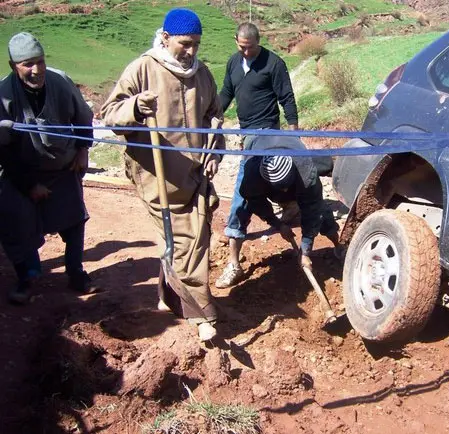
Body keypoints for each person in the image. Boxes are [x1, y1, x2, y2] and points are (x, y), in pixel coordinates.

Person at [100, 8, 224, 341]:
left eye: (197, 44)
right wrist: (135, 108)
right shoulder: (143, 68)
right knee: (187, 239)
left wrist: (215, 151)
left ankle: (167, 298)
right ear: (166, 38)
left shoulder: (203, 75)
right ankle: (200, 314)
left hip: (195, 174)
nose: (192, 51)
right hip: (154, 173)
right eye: (185, 43)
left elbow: (215, 116)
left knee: (187, 235)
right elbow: (109, 114)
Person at [0, 32, 96, 304]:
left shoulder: (60, 81)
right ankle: (27, 277)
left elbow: (82, 117)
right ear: (13, 66)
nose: (37, 69)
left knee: (75, 217)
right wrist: (29, 186)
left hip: (63, 167)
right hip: (24, 173)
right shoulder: (3, 96)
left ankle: (76, 273)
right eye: (28, 64)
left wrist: (82, 150)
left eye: (40, 61)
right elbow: (3, 150)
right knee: (14, 219)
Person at [216, 22, 300, 289]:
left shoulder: (273, 63)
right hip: (246, 134)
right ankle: (288, 204)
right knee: (260, 182)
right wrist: (214, 115)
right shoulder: (233, 62)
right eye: (241, 47)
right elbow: (227, 92)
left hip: (267, 133)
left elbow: (286, 96)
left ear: (258, 42)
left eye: (249, 47)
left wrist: (293, 129)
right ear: (236, 42)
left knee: (244, 191)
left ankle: (234, 263)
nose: (245, 52)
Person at [237, 135, 343, 274]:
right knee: (244, 207)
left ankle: (338, 245)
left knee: (322, 213)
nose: (285, 191)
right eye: (281, 188)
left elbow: (312, 210)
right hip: (261, 152)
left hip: (296, 165)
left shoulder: (306, 169)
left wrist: (305, 250)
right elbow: (257, 203)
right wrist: (278, 224)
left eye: (287, 186)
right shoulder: (252, 177)